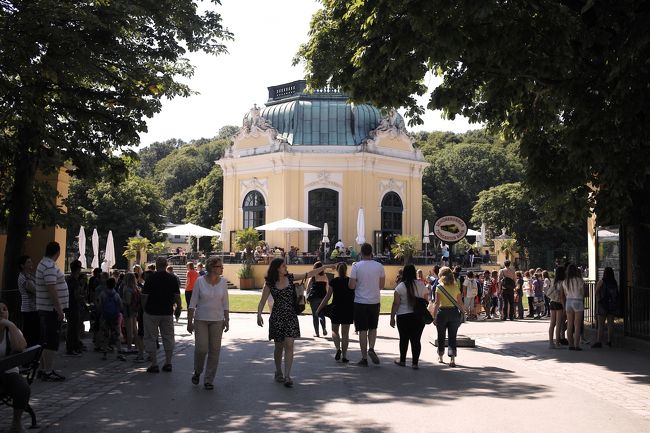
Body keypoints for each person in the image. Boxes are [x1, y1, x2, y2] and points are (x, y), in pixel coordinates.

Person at [256, 258, 333, 387]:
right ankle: (278, 371)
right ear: (277, 269)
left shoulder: (290, 278)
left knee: (290, 345)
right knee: (279, 347)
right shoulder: (269, 283)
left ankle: (287, 376)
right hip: (277, 317)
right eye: (283, 266)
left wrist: (324, 267)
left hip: (291, 316)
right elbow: (262, 301)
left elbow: (309, 274)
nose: (286, 267)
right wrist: (259, 314)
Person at [187, 257, 230, 390]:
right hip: (201, 320)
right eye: (220, 266)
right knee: (201, 349)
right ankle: (198, 371)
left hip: (217, 320)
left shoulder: (223, 282)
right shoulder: (200, 281)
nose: (222, 269)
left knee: (215, 350)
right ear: (212, 268)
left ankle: (209, 379)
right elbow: (192, 302)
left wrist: (227, 319)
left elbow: (225, 302)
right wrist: (189, 321)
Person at [35, 241, 68, 381]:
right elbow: (51, 289)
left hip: (46, 308)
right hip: (50, 310)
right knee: (51, 341)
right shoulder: (48, 266)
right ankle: (47, 370)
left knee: (46, 340)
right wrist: (59, 309)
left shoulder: (44, 263)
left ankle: (43, 369)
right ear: (58, 252)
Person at [142, 257, 182, 373]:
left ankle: (154, 363)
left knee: (150, 337)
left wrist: (144, 308)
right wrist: (178, 307)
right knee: (168, 337)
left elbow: (144, 296)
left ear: (156, 265)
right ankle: (168, 362)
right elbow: (177, 296)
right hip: (167, 312)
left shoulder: (150, 278)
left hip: (152, 311)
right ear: (166, 265)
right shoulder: (172, 278)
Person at [348, 243, 385, 366]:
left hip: (360, 301)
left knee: (362, 330)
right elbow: (381, 286)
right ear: (371, 252)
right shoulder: (379, 266)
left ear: (361, 253)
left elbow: (351, 286)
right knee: (373, 327)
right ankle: (371, 348)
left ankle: (364, 358)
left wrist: (358, 281)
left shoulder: (356, 266)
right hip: (374, 301)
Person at [390, 264, 429, 369]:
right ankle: (415, 363)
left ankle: (402, 360)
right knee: (416, 340)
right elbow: (427, 299)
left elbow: (396, 303)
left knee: (403, 338)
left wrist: (392, 317)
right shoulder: (421, 284)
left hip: (403, 316)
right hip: (418, 316)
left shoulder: (400, 287)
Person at [0, 301, 30, 433]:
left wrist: (10, 324)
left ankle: (16, 423)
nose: (1, 312)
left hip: (10, 374)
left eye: (4, 309)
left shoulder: (11, 330)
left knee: (23, 388)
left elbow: (20, 347)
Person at [316, 262, 354, 363]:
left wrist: (319, 309)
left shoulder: (334, 281)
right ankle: (345, 356)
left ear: (337, 270)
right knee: (345, 334)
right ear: (346, 270)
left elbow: (327, 297)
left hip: (336, 308)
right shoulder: (351, 281)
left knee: (334, 331)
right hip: (348, 309)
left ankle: (338, 349)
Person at [431, 267, 464, 367]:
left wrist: (434, 316)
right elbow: (460, 302)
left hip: (442, 313)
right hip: (454, 313)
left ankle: (441, 356)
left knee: (441, 335)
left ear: (441, 275)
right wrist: (462, 312)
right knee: (452, 336)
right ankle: (452, 358)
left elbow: (436, 303)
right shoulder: (455, 286)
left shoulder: (439, 287)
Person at [98, 278, 125, 361]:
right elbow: (121, 306)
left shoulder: (103, 294)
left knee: (106, 335)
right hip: (114, 317)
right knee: (117, 335)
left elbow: (100, 305)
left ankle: (105, 354)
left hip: (105, 317)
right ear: (114, 285)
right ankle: (119, 352)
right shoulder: (116, 295)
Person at [592, 267, 618, 348]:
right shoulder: (614, 282)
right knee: (611, 324)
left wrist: (599, 299)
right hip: (611, 305)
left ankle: (599, 341)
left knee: (601, 325)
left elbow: (596, 291)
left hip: (603, 305)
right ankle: (609, 341)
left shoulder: (601, 281)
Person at [17, 256, 38, 348]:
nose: (31, 264)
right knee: (30, 335)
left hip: (34, 308)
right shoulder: (22, 277)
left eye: (31, 261)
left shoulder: (30, 275)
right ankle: (28, 357)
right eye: (28, 262)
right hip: (28, 310)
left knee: (35, 335)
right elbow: (35, 290)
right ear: (22, 265)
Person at [562, 264, 585, 350]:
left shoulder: (565, 281)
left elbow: (565, 294)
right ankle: (577, 345)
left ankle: (570, 344)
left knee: (570, 324)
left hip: (569, 301)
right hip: (578, 301)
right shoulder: (579, 280)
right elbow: (582, 293)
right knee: (577, 324)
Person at [64, 260, 84, 356]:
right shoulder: (75, 281)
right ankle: (72, 348)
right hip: (74, 306)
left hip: (68, 306)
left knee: (71, 327)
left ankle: (72, 347)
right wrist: (82, 297)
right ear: (77, 270)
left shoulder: (67, 279)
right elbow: (76, 296)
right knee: (73, 328)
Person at [121, 272, 141, 355]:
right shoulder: (135, 288)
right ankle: (136, 347)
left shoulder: (127, 288)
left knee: (129, 330)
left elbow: (128, 301)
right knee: (135, 329)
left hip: (128, 311)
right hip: (134, 310)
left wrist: (121, 300)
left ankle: (129, 347)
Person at [306, 261, 328, 337]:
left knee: (315, 315)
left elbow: (308, 287)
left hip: (314, 297)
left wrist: (306, 296)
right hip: (323, 297)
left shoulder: (313, 276)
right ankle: (324, 328)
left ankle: (317, 333)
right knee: (321, 314)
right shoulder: (325, 276)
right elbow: (327, 287)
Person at [546, 266, 565, 348]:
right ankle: (557, 342)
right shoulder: (562, 283)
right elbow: (562, 296)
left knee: (552, 323)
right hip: (559, 303)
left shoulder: (554, 281)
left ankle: (551, 342)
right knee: (558, 324)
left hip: (552, 302)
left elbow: (548, 292)